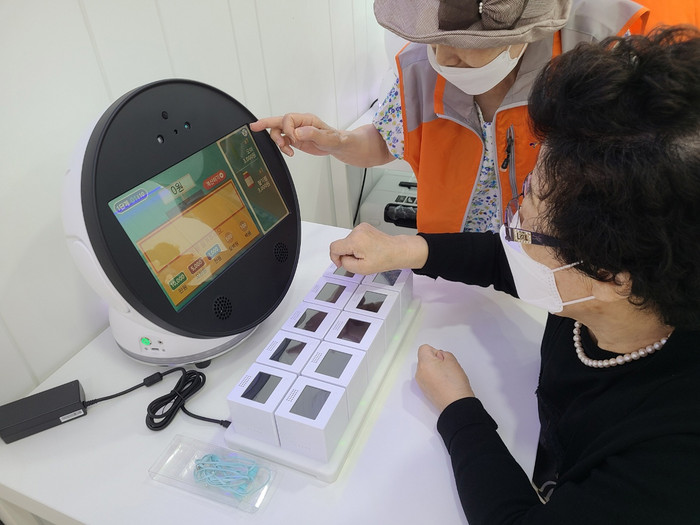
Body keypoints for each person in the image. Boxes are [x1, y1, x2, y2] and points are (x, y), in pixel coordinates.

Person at [328, 26, 700, 523]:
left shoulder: (669, 465)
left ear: (611, 277)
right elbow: (505, 261)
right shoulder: (623, 287)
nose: (511, 226)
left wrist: (459, 410)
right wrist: (402, 248)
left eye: (524, 218)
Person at [251, 0, 652, 234]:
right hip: (455, 263)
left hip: (560, 271)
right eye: (436, 41)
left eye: (463, 45)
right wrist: (336, 142)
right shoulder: (421, 65)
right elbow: (389, 140)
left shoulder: (594, 61)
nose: (443, 58)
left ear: (522, 33)